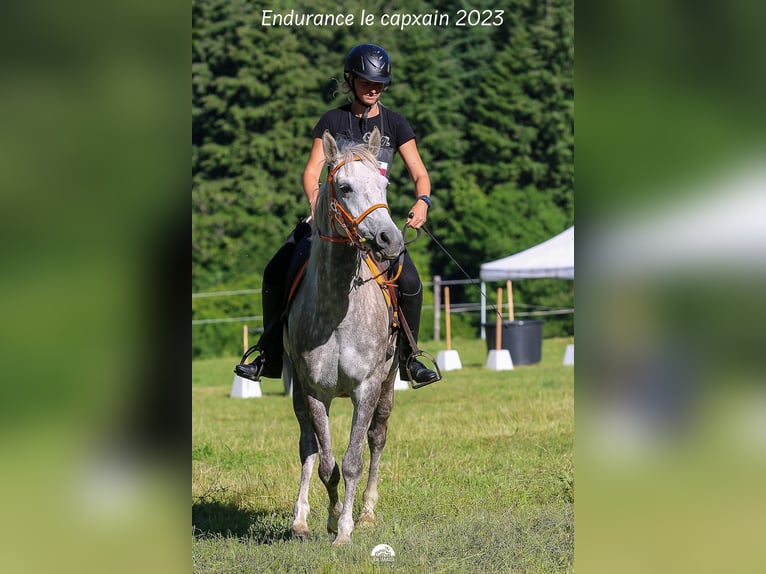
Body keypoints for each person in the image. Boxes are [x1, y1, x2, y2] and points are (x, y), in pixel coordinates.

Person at [236, 43, 440, 387]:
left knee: (410, 282)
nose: (372, 89)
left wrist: (422, 201)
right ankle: (267, 353)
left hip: (374, 226)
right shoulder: (332, 120)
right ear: (351, 80)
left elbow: (420, 173)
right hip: (331, 222)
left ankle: (409, 358)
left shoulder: (396, 124)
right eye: (365, 82)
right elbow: (312, 170)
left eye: (379, 84)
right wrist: (318, 206)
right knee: (275, 270)